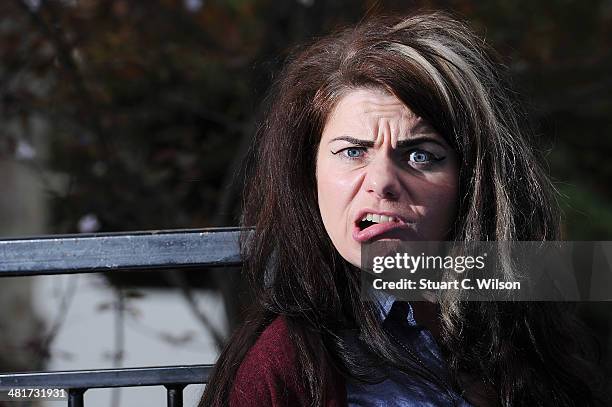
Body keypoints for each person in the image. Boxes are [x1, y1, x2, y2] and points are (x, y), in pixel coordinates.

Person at [200, 12, 606, 407]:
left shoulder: (538, 318)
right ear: (310, 176)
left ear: (473, 181)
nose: (381, 181)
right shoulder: (284, 364)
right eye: (353, 151)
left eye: (421, 156)